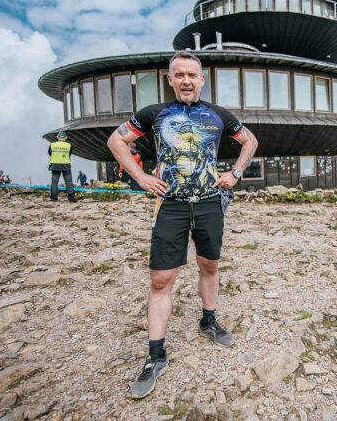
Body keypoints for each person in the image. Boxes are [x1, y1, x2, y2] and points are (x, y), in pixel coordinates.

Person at [107, 51, 258, 399]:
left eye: (192, 75)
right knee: (161, 279)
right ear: (170, 80)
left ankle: (209, 321)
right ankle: (155, 355)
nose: (186, 80)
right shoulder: (155, 113)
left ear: (202, 80)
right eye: (180, 75)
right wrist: (141, 177)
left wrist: (235, 173)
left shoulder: (218, 115)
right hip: (170, 204)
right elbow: (117, 140)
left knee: (210, 265)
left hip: (209, 203)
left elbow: (250, 140)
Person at [48, 132, 76, 202]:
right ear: (66, 138)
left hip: (55, 165)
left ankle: (54, 198)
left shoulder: (52, 145)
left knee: (54, 182)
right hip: (66, 165)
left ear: (57, 137)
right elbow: (69, 154)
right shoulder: (69, 145)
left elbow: (50, 153)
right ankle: (71, 199)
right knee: (68, 182)